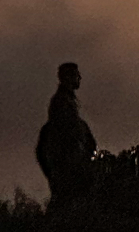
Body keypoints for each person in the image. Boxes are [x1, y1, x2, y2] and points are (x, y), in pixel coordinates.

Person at [35, 62, 98, 210]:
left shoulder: (66, 101)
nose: (79, 78)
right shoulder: (62, 102)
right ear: (67, 77)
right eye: (76, 75)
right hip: (65, 162)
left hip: (67, 160)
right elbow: (67, 132)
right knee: (66, 200)